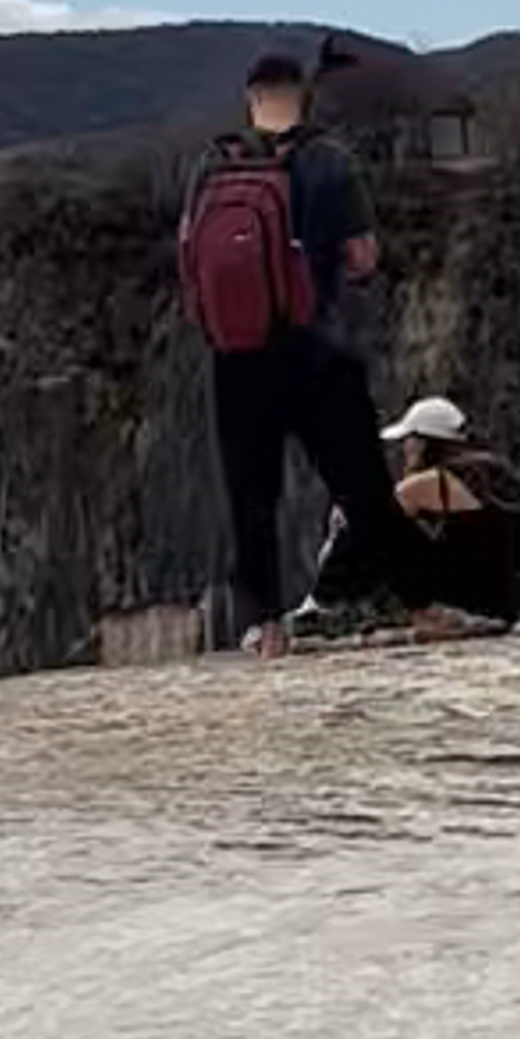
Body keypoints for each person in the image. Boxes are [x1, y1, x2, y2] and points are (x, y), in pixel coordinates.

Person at [182, 47, 405, 649]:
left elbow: (191, 255)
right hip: (314, 345)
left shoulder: (212, 164)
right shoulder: (329, 160)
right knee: (359, 482)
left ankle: (264, 627)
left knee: (250, 496)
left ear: (251, 98)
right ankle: (398, 599)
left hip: (233, 351)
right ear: (302, 96)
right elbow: (361, 257)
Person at [289, 394, 520, 640]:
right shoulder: (491, 475)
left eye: (407, 440)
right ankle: (373, 606)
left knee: (366, 511)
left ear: (423, 443)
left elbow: (374, 516)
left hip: (466, 604)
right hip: (501, 606)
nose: (403, 449)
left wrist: (338, 535)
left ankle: (320, 606)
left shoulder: (437, 481)